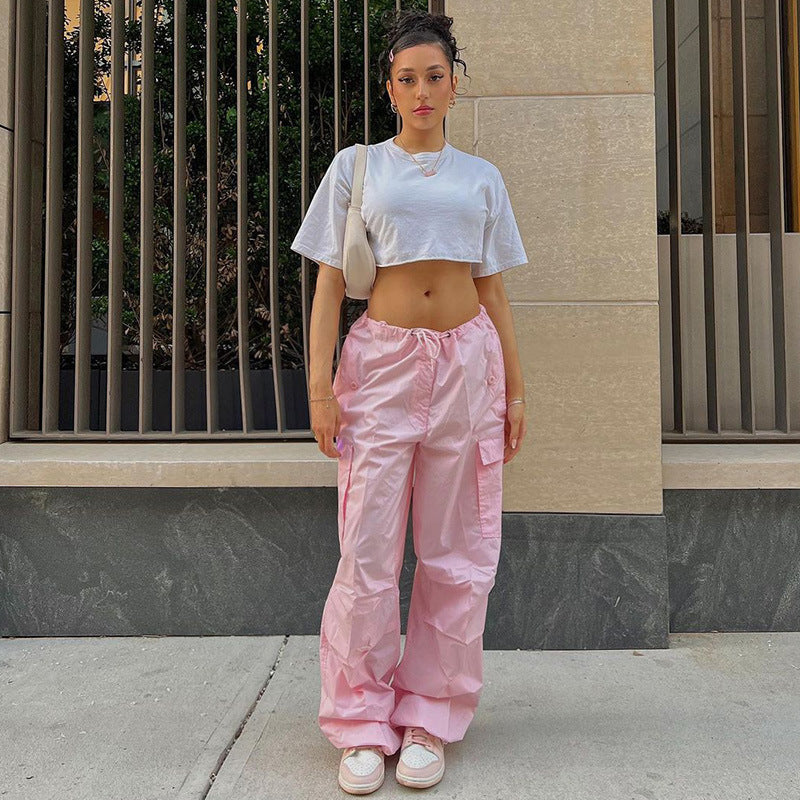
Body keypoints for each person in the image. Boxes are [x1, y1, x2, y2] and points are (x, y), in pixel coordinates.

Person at [289, 8, 528, 794]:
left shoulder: (483, 177)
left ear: (455, 85)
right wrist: (321, 385)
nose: (421, 90)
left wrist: (515, 389)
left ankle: (430, 713)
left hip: (467, 363)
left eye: (434, 75)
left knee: (456, 551)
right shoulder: (358, 168)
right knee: (367, 548)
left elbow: (492, 287)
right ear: (389, 89)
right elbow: (329, 280)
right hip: (382, 365)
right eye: (406, 78)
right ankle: (360, 717)